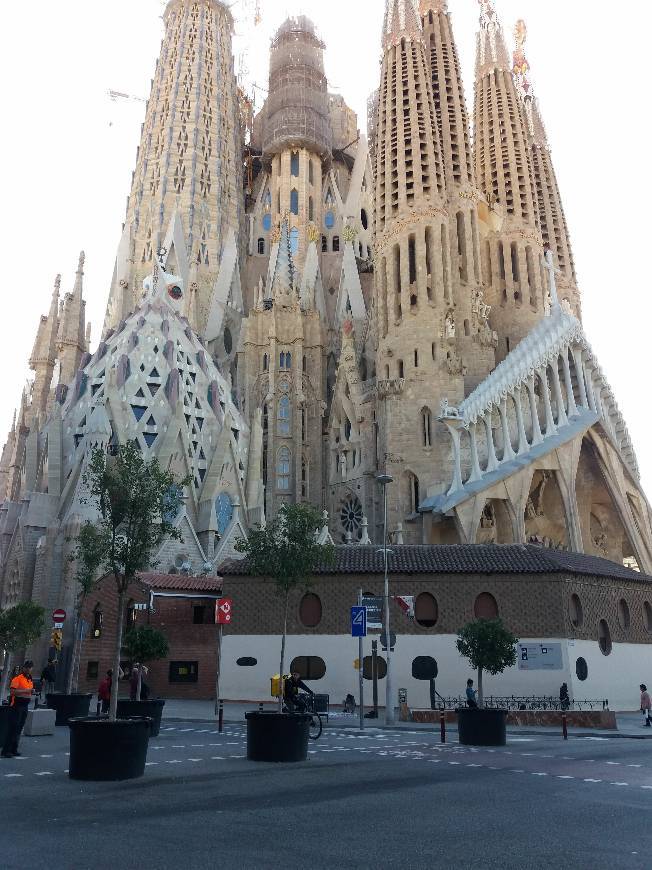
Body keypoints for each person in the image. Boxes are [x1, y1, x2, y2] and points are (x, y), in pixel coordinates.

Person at [2, 661, 34, 759]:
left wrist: (31, 692)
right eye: (26, 667)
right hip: (16, 706)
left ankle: (14, 749)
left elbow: (28, 691)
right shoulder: (17, 678)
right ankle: (6, 750)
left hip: (25, 706)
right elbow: (12, 692)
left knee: (19, 728)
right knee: (13, 728)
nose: (28, 669)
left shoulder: (30, 680)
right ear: (23, 668)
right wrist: (27, 691)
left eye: (30, 667)